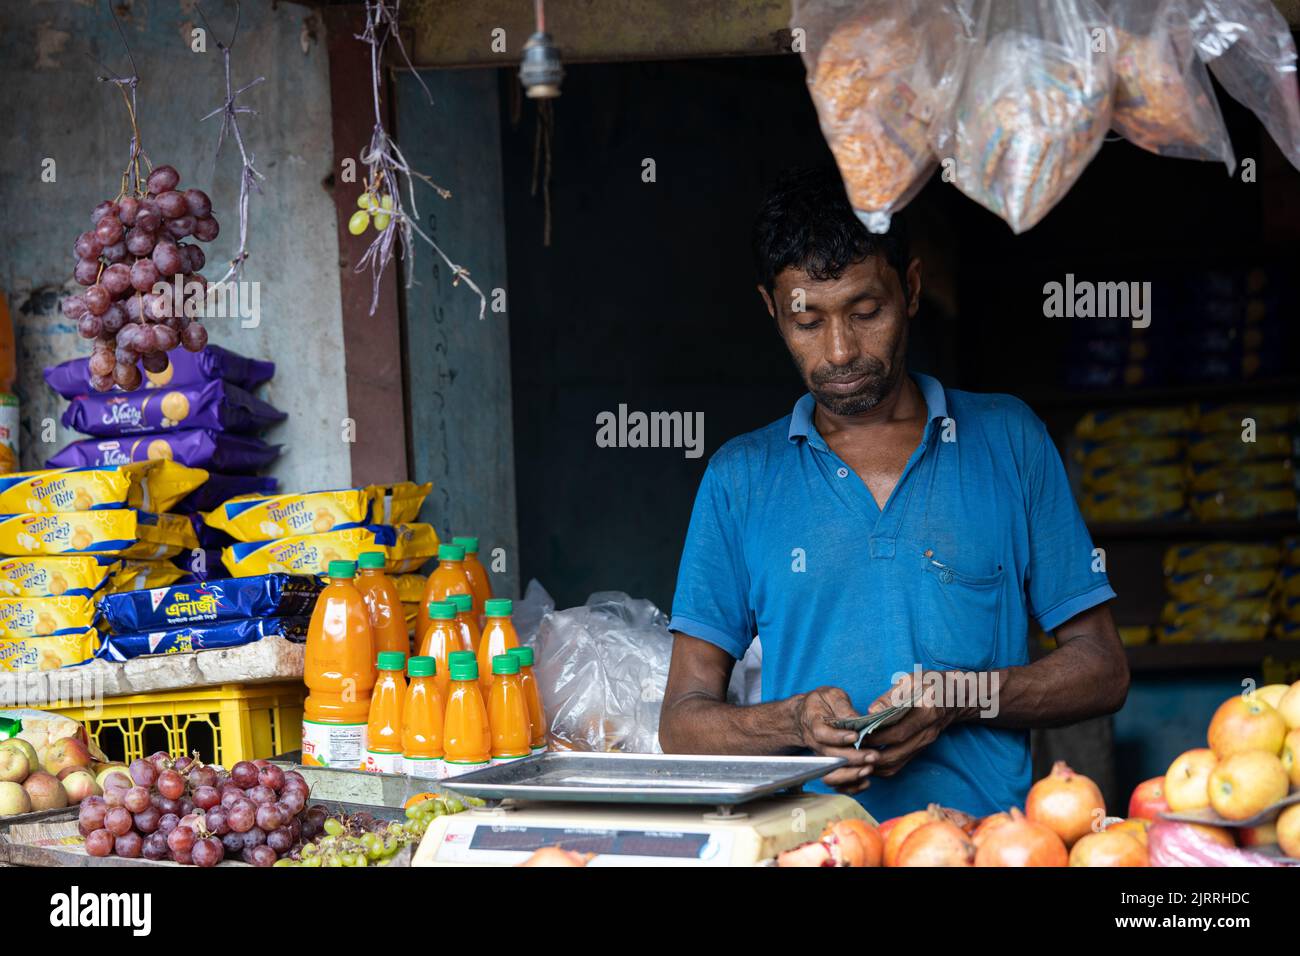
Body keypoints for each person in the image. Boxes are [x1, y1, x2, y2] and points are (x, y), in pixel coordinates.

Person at [658, 167, 1129, 820]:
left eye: (865, 310)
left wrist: (959, 697)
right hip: (811, 850)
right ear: (772, 309)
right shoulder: (740, 479)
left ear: (909, 289)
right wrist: (794, 722)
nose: (841, 349)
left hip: (986, 849)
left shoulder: (1008, 441)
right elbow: (682, 724)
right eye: (808, 322)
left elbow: (1103, 670)